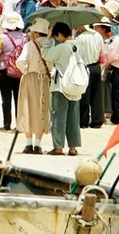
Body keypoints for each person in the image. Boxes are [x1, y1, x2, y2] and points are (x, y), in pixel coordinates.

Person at [45, 21, 82, 156]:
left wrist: (48, 39)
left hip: (61, 86)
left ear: (60, 34)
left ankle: (58, 147)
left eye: (57, 36)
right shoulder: (79, 46)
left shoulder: (61, 48)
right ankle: (73, 147)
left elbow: (46, 54)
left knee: (58, 117)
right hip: (76, 85)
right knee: (73, 118)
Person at [16, 18, 51, 154]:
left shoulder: (30, 45)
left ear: (36, 32)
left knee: (27, 108)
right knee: (42, 109)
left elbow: (21, 61)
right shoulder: (50, 44)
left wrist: (26, 71)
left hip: (30, 78)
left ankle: (29, 143)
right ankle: (38, 144)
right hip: (45, 79)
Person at [97, 16, 119, 124]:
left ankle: (118, 117)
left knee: (117, 93)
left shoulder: (117, 39)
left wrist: (107, 63)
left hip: (118, 68)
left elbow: (111, 54)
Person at [0, 12, 25, 132]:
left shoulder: (3, 37)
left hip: (4, 69)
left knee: (6, 98)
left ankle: (7, 124)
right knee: (19, 98)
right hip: (20, 69)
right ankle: (20, 124)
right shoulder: (24, 37)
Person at [74, 20, 105, 129]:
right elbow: (103, 53)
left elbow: (76, 54)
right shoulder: (98, 35)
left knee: (84, 95)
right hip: (96, 66)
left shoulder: (80, 38)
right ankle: (97, 121)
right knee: (97, 95)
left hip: (85, 67)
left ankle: (83, 121)